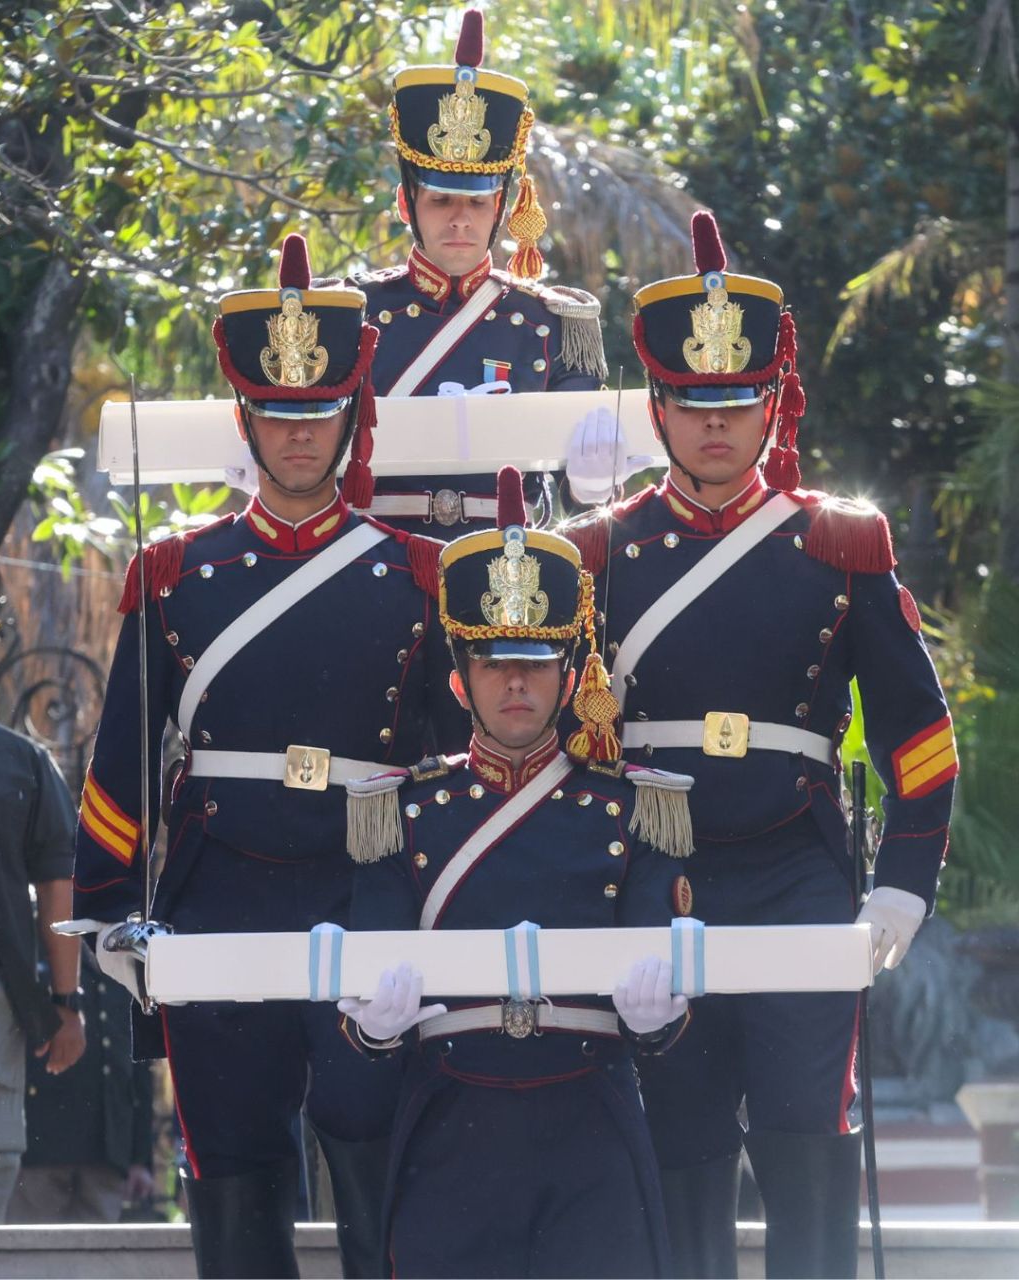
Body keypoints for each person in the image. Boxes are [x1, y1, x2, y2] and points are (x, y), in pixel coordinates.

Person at [562, 211, 957, 1279]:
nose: (716, 426)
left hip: (796, 872)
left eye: (737, 401)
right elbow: (551, 729)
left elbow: (919, 741)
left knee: (805, 1137)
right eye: (693, 404)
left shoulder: (839, 542)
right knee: (681, 1147)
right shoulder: (601, 553)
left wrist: (902, 886)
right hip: (656, 873)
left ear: (770, 401)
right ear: (660, 408)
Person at [71, 232, 457, 1279]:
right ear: (249, 419)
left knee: (377, 1150)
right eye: (280, 415)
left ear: (349, 416)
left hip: (366, 886)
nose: (300, 435)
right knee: (233, 1173)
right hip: (221, 886)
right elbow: (123, 761)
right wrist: (109, 905)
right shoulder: (175, 571)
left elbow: (456, 764)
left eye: (319, 412)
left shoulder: (417, 575)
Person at [338, 467, 694, 1279]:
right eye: (496, 665)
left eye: (536, 663)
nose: (517, 682)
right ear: (460, 681)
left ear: (572, 678)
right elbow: (362, 1008)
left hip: (589, 1121)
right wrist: (374, 1024)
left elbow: (670, 1017)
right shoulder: (399, 812)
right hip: (454, 1121)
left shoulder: (634, 808)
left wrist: (658, 1019)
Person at [313, 8, 608, 535]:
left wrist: (592, 481)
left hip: (505, 570)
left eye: (476, 204)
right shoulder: (345, 313)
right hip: (372, 563)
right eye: (441, 200)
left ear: (501, 209)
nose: (458, 219)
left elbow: (576, 499)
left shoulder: (556, 320)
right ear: (407, 205)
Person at [0, 720, 85, 1221]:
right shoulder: (19, 761)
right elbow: (57, 882)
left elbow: (58, 882)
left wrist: (66, 1002)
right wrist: (66, 1002)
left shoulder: (21, 761)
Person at [6, 944, 154, 1224]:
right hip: (39, 1150)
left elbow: (137, 1069)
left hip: (108, 1152)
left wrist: (140, 1159)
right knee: (35, 1261)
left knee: (101, 1263)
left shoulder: (126, 955)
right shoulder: (35, 942)